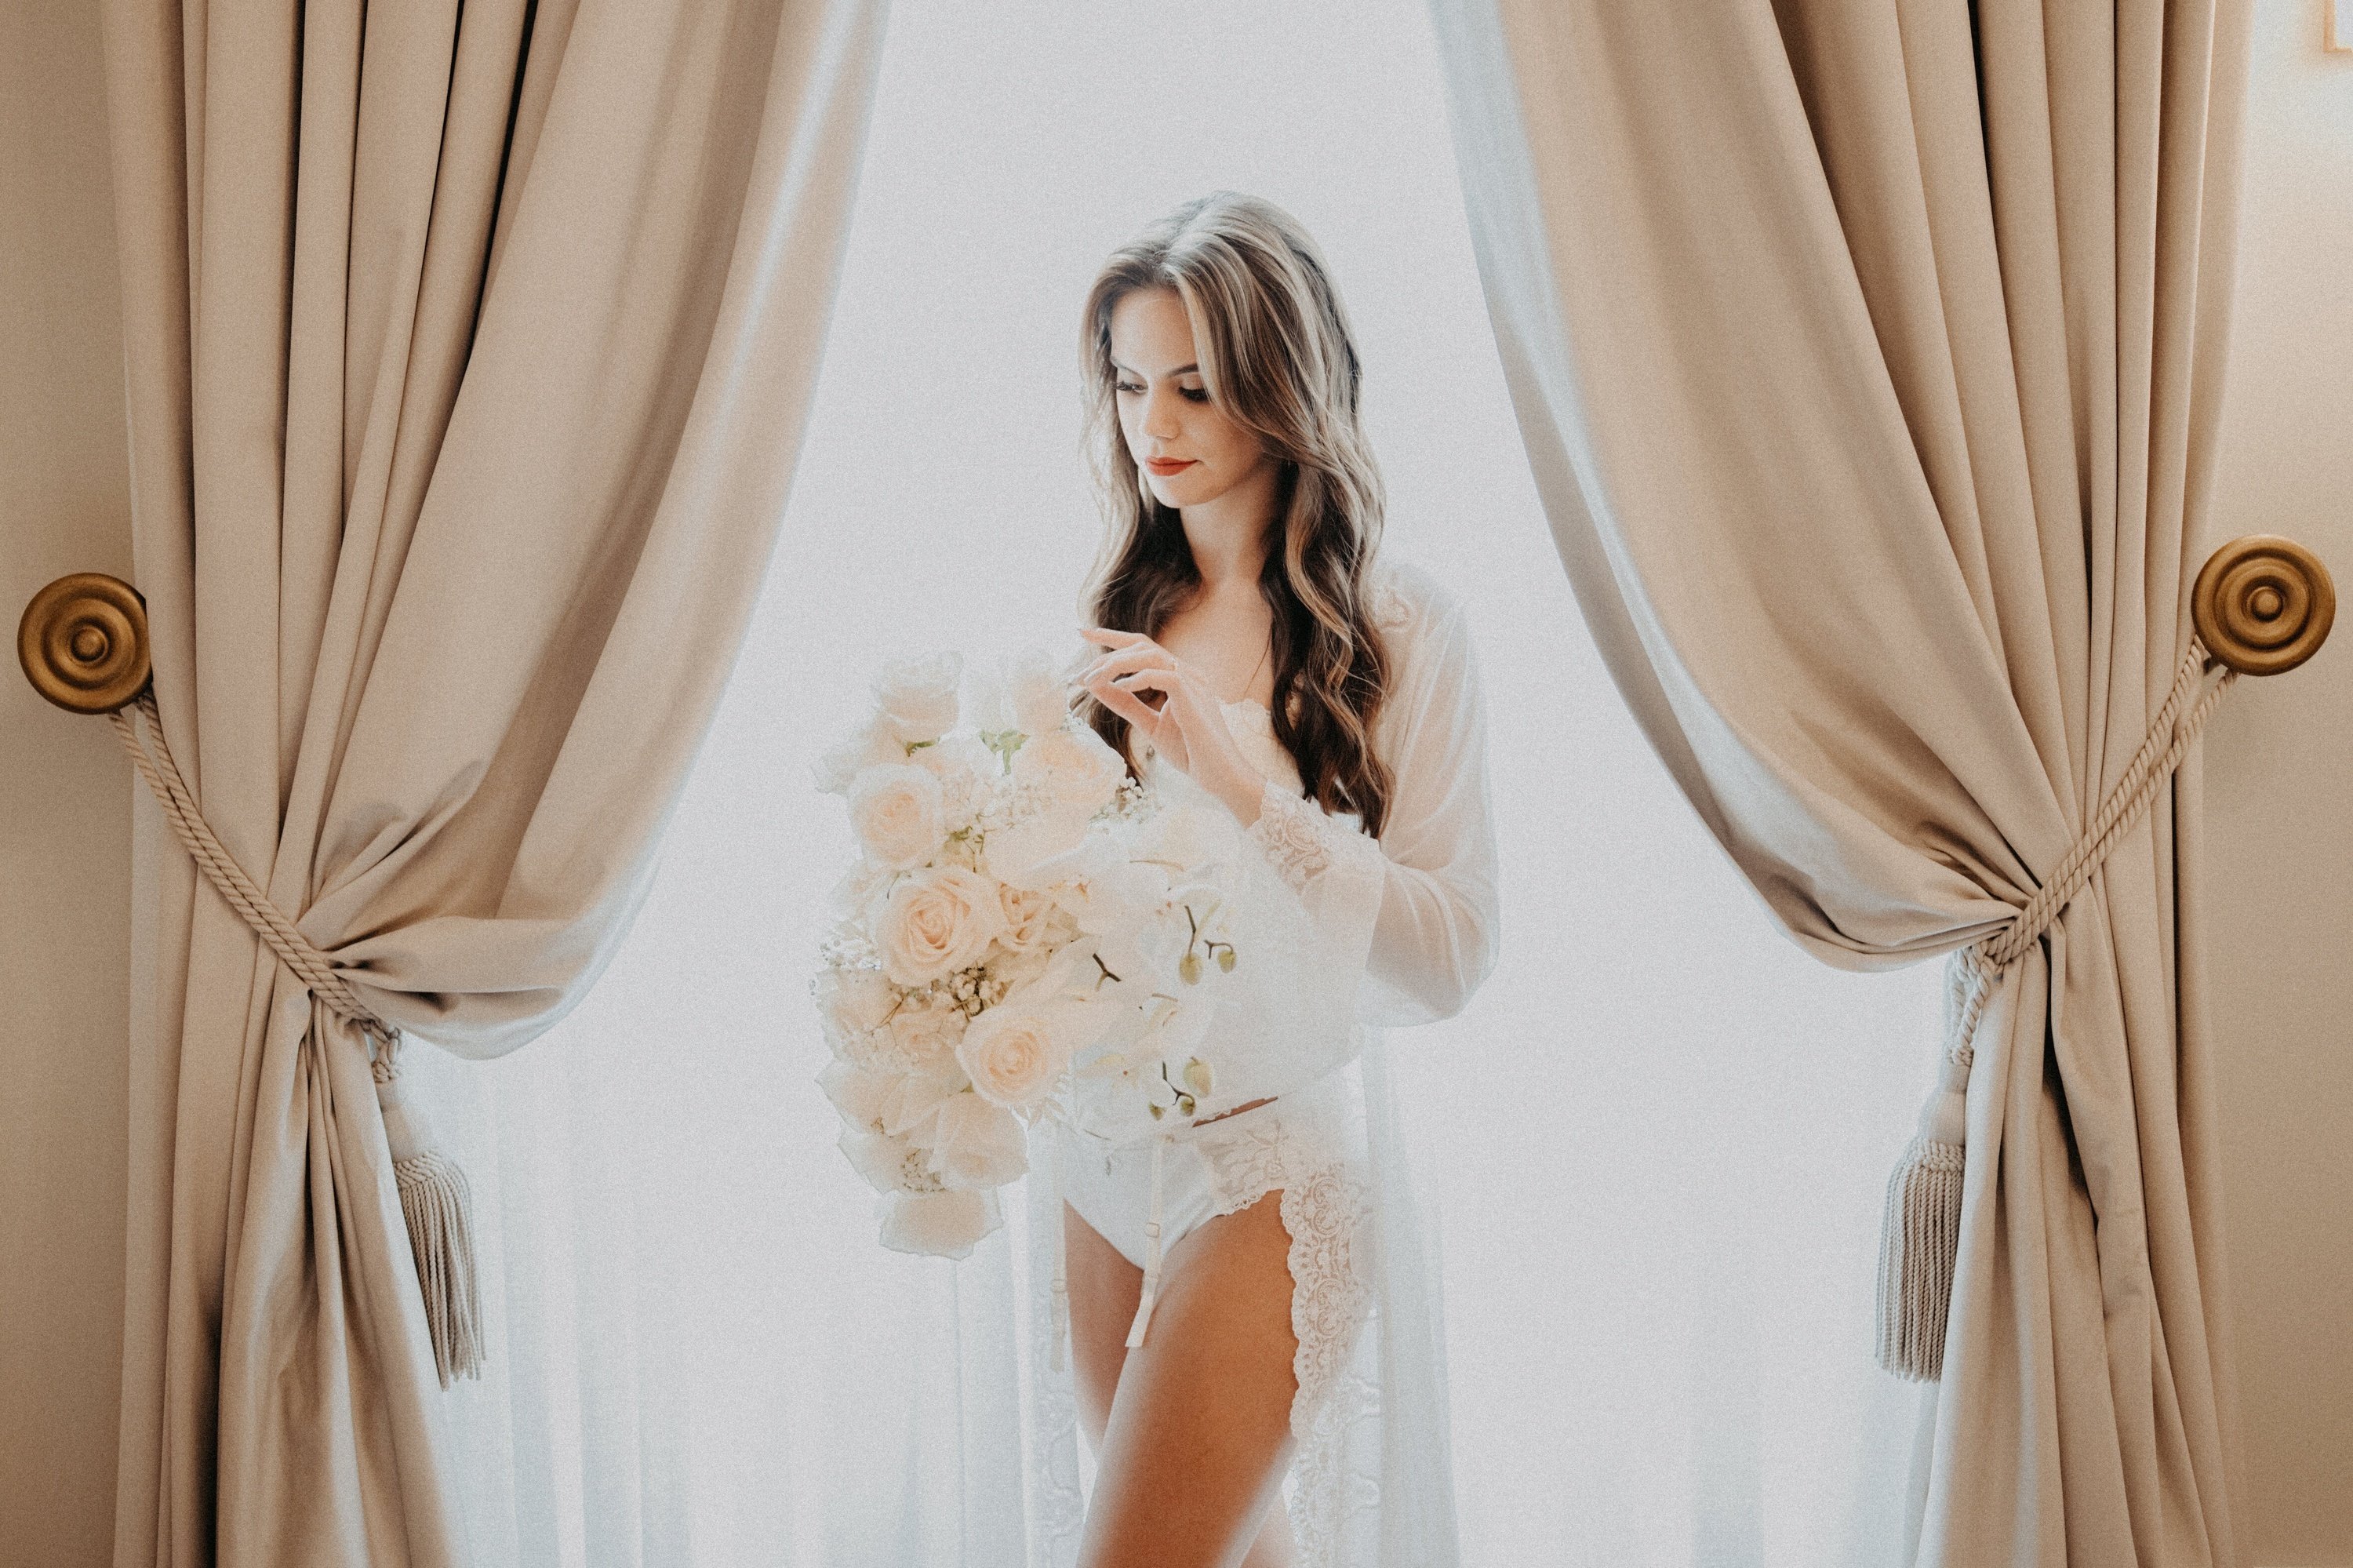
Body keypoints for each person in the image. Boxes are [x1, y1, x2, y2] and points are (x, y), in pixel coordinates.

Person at [1018, 190, 1502, 1568]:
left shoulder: (1403, 629)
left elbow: (1452, 956)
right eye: (1125, 382)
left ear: (1283, 391)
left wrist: (1236, 777)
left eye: (1194, 387)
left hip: (1265, 1162)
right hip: (1098, 1154)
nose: (1151, 425)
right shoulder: (1117, 617)